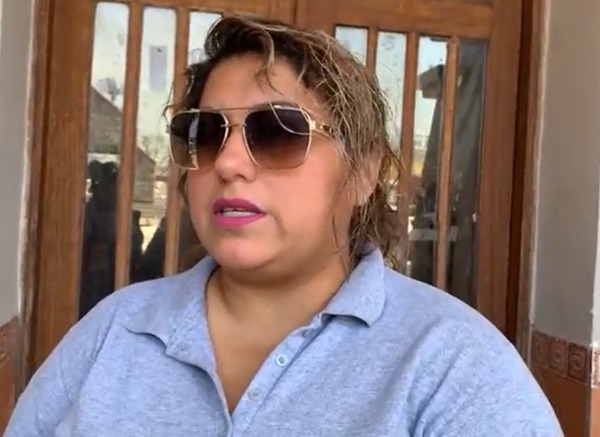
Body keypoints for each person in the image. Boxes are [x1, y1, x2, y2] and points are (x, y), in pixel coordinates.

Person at [5, 16, 561, 436]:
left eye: (277, 132)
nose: (228, 163)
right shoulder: (115, 329)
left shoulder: (454, 365)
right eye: (206, 134)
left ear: (364, 173)